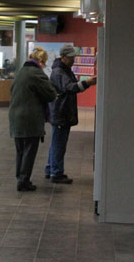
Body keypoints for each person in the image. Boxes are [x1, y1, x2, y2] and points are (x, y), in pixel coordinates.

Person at [45, 45, 97, 184]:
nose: (73, 60)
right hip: (61, 113)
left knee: (56, 142)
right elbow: (70, 87)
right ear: (63, 57)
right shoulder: (59, 72)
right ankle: (56, 173)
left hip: (61, 112)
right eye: (71, 58)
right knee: (59, 144)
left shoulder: (63, 70)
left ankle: (50, 169)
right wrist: (87, 83)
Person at [9, 47, 57, 192]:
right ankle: (24, 181)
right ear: (40, 61)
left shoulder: (20, 72)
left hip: (16, 117)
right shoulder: (37, 74)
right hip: (30, 117)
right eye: (45, 62)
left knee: (20, 150)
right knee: (30, 150)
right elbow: (50, 94)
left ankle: (20, 177)